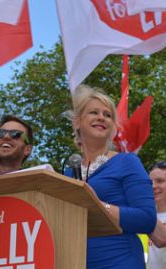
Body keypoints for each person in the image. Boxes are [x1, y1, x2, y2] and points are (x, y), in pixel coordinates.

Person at [65, 85, 157, 268]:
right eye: (94, 112)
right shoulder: (66, 175)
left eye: (107, 115)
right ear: (77, 122)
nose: (101, 117)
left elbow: (147, 218)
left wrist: (95, 204)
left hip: (120, 261)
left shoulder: (127, 162)